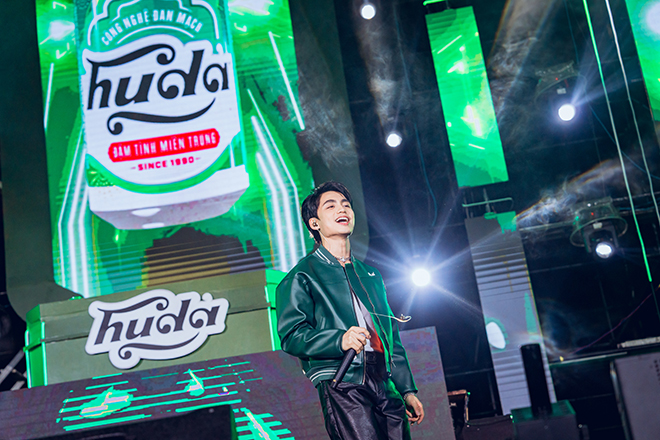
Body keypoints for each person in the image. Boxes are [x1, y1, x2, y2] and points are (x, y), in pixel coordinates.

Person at [276, 181, 425, 440]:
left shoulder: (371, 275)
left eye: (346, 204)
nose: (342, 209)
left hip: (384, 380)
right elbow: (292, 336)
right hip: (343, 379)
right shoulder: (302, 276)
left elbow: (391, 336)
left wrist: (406, 389)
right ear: (314, 223)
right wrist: (339, 339)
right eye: (330, 206)